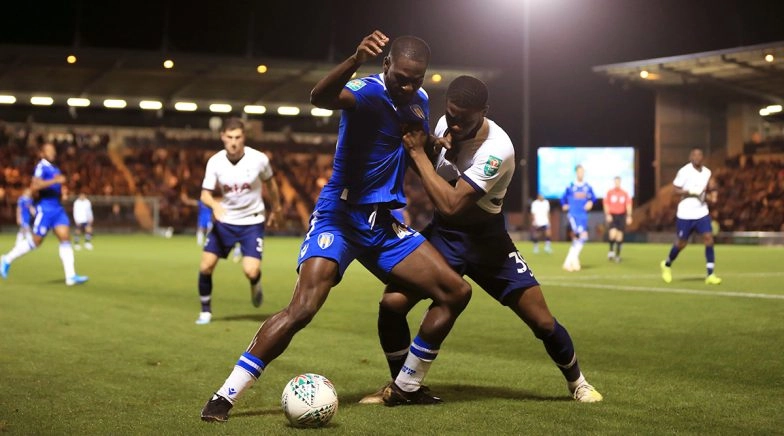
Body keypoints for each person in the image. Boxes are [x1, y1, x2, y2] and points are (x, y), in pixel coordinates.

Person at [200, 31, 472, 422]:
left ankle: (406, 385)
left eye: (418, 78)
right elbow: (320, 98)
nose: (410, 85)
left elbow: (410, 145)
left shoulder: (420, 100)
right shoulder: (365, 91)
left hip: (383, 225)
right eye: (402, 77)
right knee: (303, 308)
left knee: (455, 292)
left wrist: (433, 144)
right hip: (340, 219)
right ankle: (225, 395)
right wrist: (354, 58)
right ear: (385, 66)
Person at [359, 76, 602, 405]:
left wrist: (418, 155)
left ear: (484, 111)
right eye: (451, 114)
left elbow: (452, 204)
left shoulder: (497, 150)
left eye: (464, 117)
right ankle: (403, 385)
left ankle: (579, 383)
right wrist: (430, 150)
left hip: (488, 243)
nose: (455, 123)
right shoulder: (447, 122)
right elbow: (438, 182)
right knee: (392, 304)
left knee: (542, 321)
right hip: (444, 236)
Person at [194, 117, 282, 325]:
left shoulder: (259, 159)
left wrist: (276, 208)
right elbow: (204, 195)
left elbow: (271, 184)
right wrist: (215, 206)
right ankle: (205, 311)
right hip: (225, 222)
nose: (234, 142)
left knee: (250, 270)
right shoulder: (215, 161)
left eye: (238, 137)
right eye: (230, 137)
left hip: (252, 221)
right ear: (222, 137)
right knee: (206, 267)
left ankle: (255, 282)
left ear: (244, 138)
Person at [0, 143, 88, 286]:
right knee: (36, 241)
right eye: (50, 150)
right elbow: (35, 186)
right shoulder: (42, 166)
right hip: (45, 209)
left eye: (54, 150)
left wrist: (62, 194)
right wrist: (55, 180)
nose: (53, 153)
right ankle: (6, 259)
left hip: (57, 209)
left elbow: (55, 188)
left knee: (65, 238)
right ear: (43, 153)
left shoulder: (55, 168)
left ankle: (70, 276)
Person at [660, 147, 722, 285]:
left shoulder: (707, 172)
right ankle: (667, 264)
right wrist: (689, 191)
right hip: (685, 213)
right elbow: (674, 190)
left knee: (709, 238)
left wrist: (712, 196)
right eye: (695, 155)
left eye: (700, 155)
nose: (697, 157)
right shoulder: (684, 171)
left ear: (703, 158)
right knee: (682, 243)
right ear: (690, 158)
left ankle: (710, 274)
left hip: (701, 212)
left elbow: (709, 188)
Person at [560, 165, 596, 272]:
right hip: (573, 215)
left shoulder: (587, 187)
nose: (581, 173)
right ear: (576, 172)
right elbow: (563, 199)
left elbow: (593, 199)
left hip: (583, 215)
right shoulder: (570, 186)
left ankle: (571, 262)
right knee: (582, 237)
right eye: (579, 171)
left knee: (577, 239)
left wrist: (590, 203)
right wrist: (564, 205)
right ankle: (570, 262)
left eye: (583, 172)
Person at [603, 176, 632, 262]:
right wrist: (608, 214)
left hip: (621, 216)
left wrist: (629, 216)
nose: (617, 183)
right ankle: (611, 250)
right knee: (612, 234)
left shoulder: (625, 193)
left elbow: (628, 205)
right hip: (613, 215)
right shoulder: (610, 193)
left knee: (619, 236)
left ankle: (617, 255)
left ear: (620, 182)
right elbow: (606, 204)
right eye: (616, 182)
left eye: (618, 182)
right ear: (614, 183)